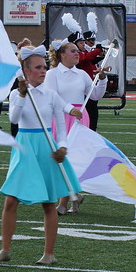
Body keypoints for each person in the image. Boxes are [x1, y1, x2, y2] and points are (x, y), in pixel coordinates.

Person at [0, 46, 80, 267]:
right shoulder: (16, 94)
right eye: (38, 68)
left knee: (48, 203)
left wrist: (63, 146)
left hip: (47, 146)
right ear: (26, 71)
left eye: (44, 67)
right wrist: (20, 94)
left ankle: (49, 253)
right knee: (11, 200)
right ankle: (5, 249)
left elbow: (60, 123)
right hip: (24, 146)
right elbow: (15, 118)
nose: (43, 71)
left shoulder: (50, 94)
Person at [44, 41, 94, 214]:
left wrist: (101, 80)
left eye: (77, 51)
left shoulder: (82, 74)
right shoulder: (52, 74)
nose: (77, 53)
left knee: (74, 159)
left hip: (79, 117)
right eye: (72, 51)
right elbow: (52, 97)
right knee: (61, 158)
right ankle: (74, 195)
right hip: (60, 117)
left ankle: (64, 203)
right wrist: (69, 109)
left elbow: (95, 95)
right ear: (61, 54)